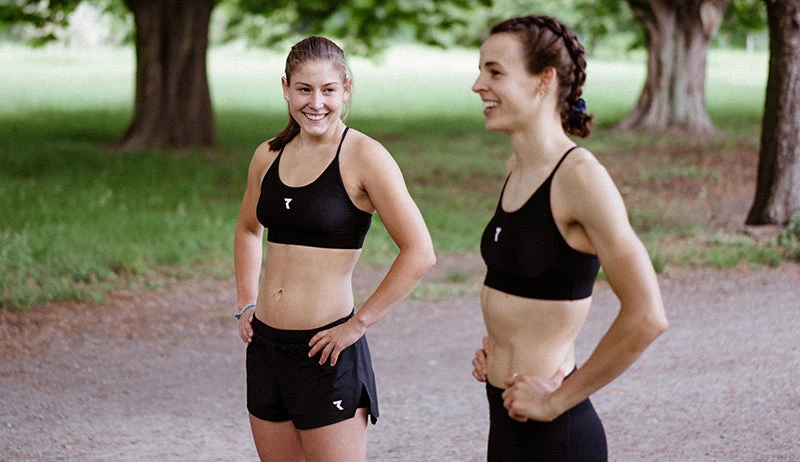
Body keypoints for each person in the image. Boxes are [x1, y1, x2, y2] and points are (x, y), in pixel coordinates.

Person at [469, 15, 668, 461]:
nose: (478, 85)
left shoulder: (580, 178)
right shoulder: (518, 169)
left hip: (556, 437)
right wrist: (498, 348)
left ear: (544, 80)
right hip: (505, 422)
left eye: (495, 72)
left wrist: (557, 400)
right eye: (481, 70)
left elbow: (647, 316)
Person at [234, 35, 436, 462]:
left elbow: (419, 251)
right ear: (286, 88)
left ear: (346, 89)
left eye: (328, 90)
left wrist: (357, 324)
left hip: (327, 351)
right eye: (304, 89)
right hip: (266, 348)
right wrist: (245, 300)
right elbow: (249, 229)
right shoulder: (267, 155)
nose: (316, 103)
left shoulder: (365, 156)